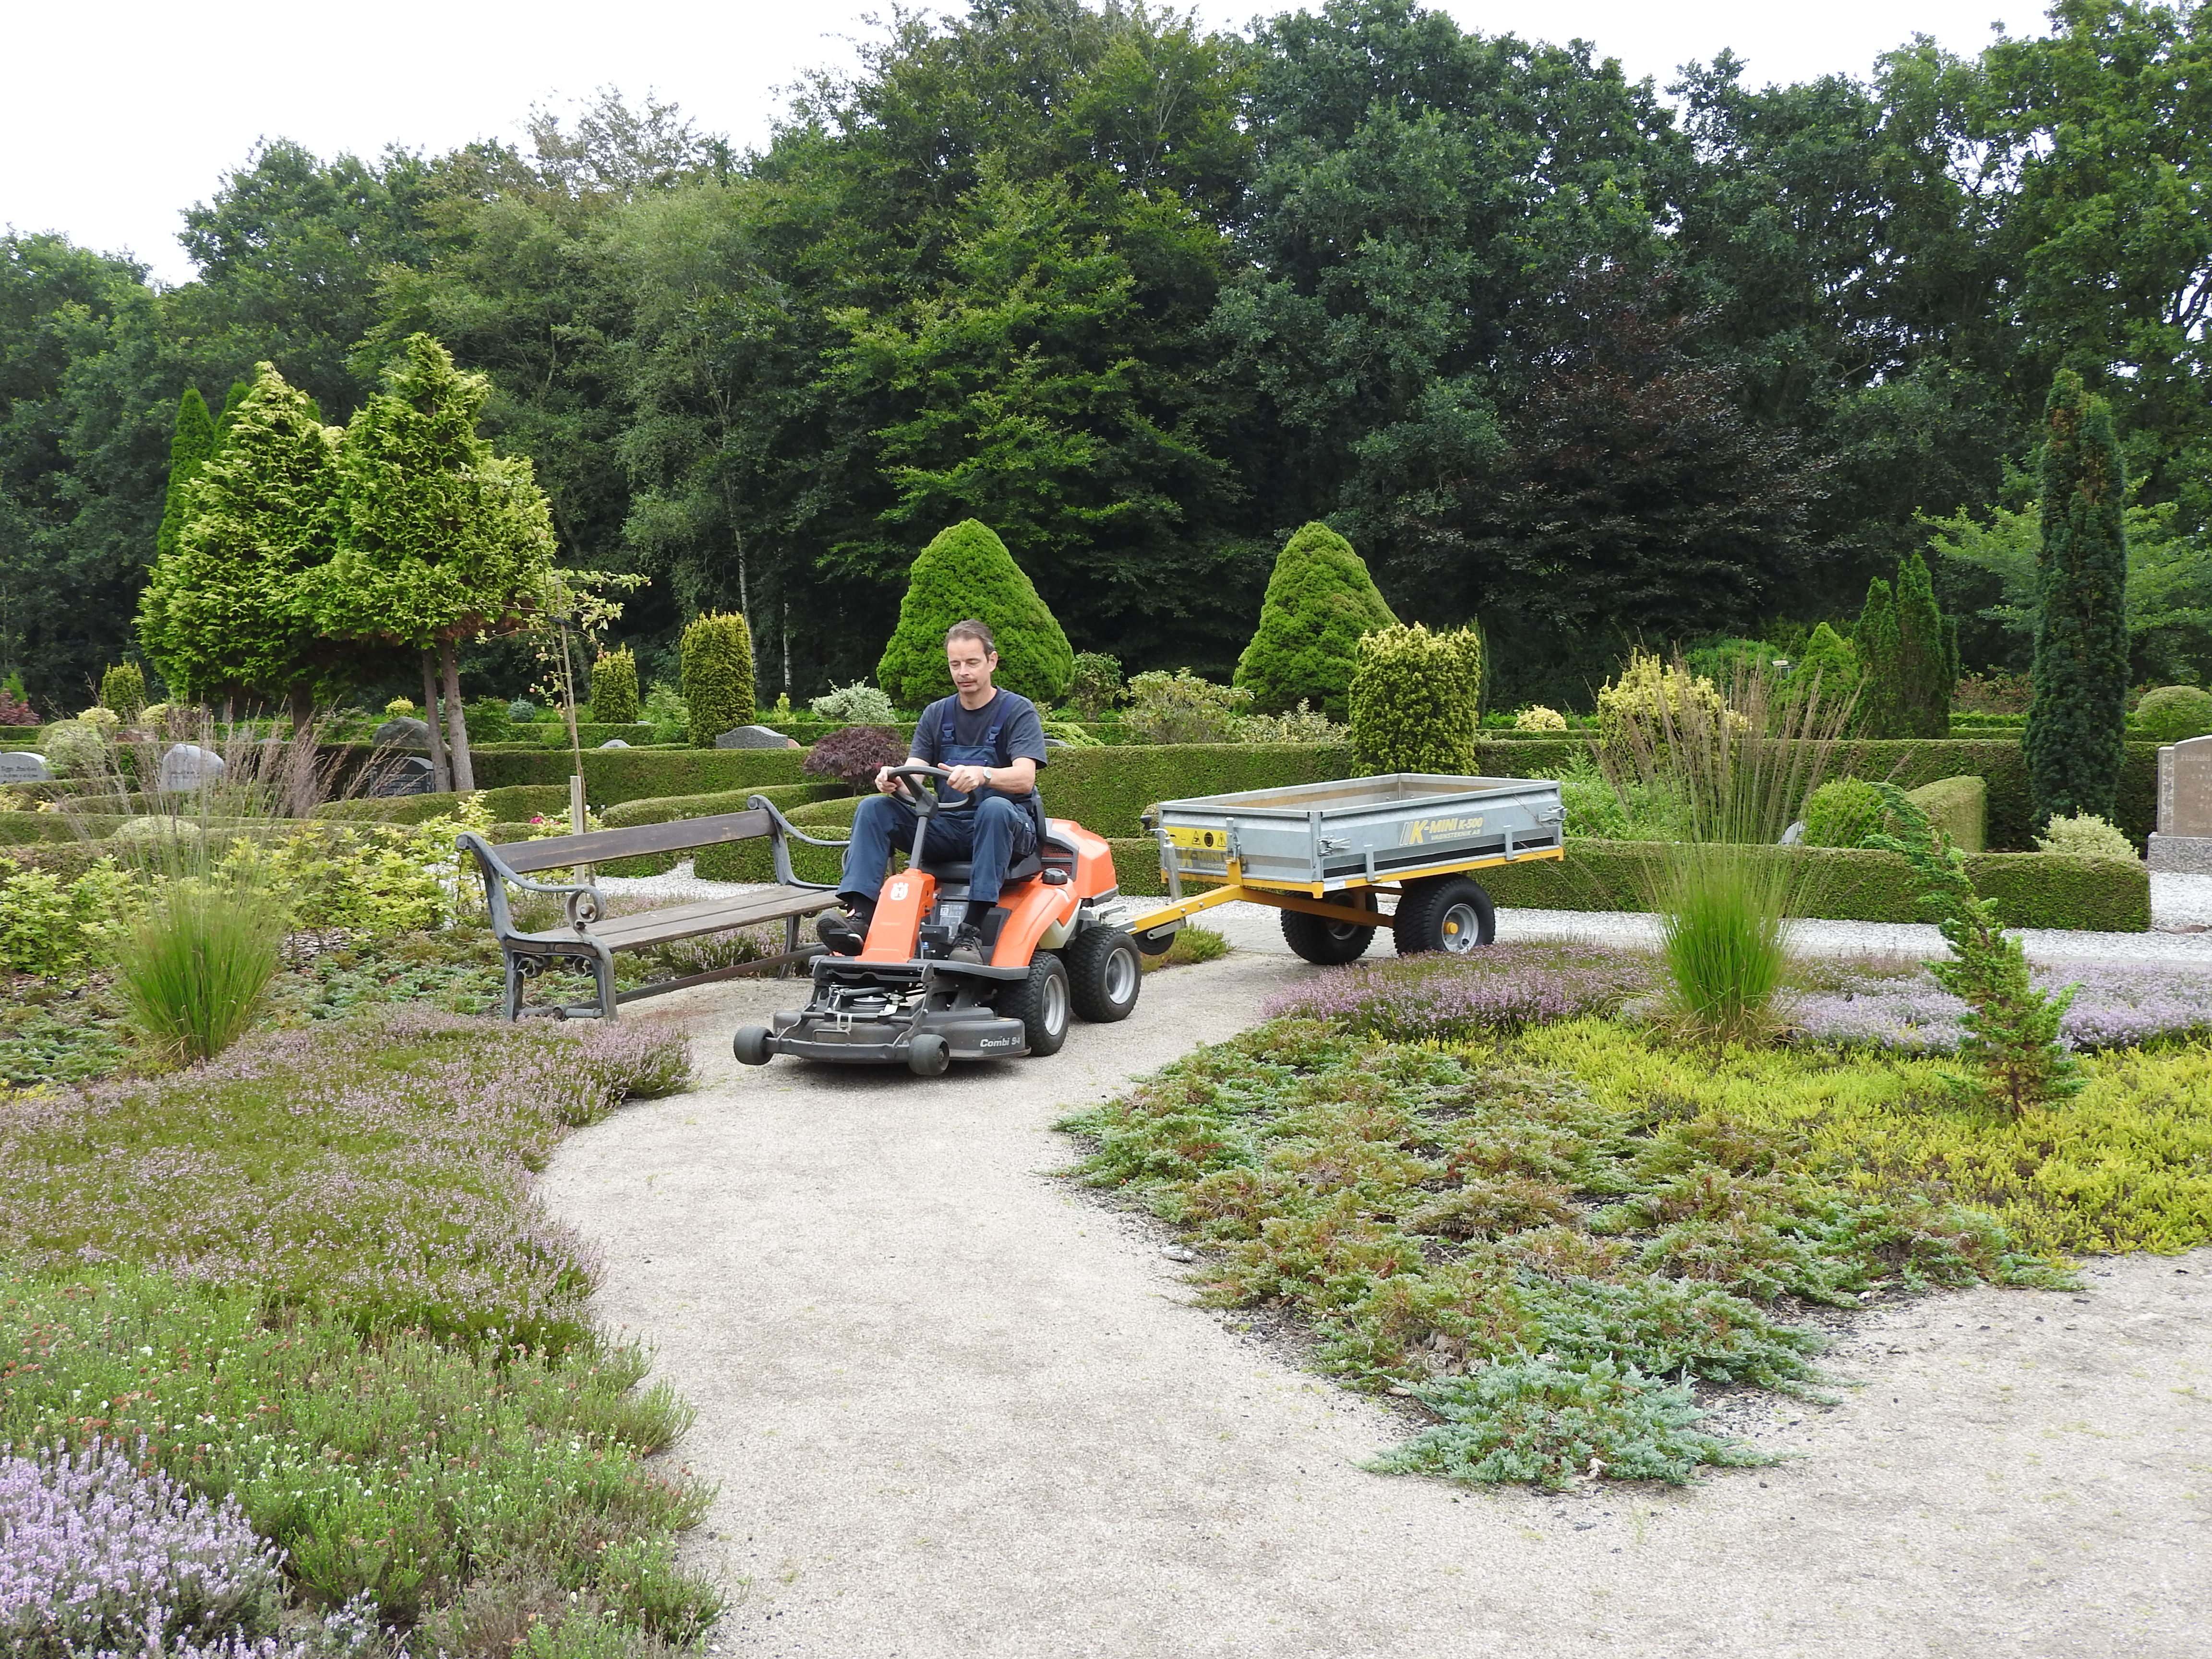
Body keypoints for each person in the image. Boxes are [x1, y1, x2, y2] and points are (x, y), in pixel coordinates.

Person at [817, 619, 1049, 962]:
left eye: (972, 662)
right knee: (874, 808)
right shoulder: (936, 714)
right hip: (951, 826)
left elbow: (1025, 778)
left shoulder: (1018, 711)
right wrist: (895, 782)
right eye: (956, 664)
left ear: (992, 661)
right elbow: (917, 779)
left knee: (994, 808)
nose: (963, 672)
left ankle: (970, 931)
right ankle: (862, 918)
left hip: (1008, 829)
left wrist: (983, 775)